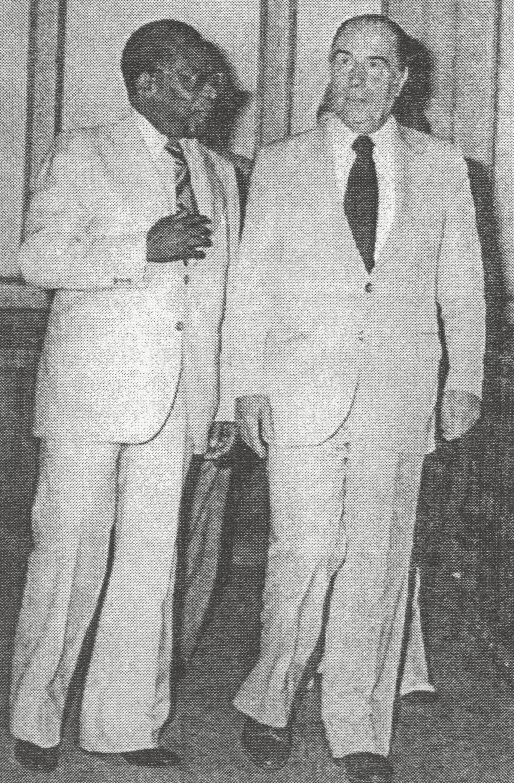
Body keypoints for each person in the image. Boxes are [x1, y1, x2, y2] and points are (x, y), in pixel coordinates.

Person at [219, 14, 485, 783]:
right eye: (344, 61)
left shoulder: (443, 166)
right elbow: (250, 286)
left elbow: (463, 286)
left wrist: (465, 379)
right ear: (328, 71)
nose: (358, 78)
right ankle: (270, 702)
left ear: (401, 80)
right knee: (301, 553)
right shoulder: (282, 163)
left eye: (376, 64)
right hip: (300, 391)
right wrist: (244, 385)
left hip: (400, 394)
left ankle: (359, 725)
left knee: (379, 557)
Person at [10, 19, 238, 772]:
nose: (210, 93)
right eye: (193, 79)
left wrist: (219, 400)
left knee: (150, 563)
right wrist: (141, 248)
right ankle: (36, 719)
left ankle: (125, 724)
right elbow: (37, 257)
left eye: (211, 78)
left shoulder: (217, 171)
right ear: (145, 84)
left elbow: (222, 298)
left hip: (179, 399)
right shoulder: (85, 150)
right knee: (68, 554)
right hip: (89, 394)